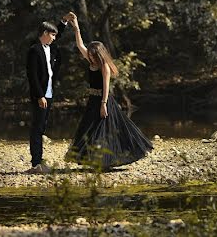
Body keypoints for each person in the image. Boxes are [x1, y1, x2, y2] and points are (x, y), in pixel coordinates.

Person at [65, 13, 152, 170]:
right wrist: (76, 27)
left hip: (103, 100)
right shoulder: (91, 60)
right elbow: (80, 45)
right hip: (92, 100)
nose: (90, 56)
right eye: (89, 54)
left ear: (99, 54)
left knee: (103, 129)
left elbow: (106, 86)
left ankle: (105, 161)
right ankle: (91, 159)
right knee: (89, 128)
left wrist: (103, 104)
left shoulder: (104, 66)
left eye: (92, 55)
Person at [25, 14, 71, 174]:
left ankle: (39, 162)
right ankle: (36, 163)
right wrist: (40, 96)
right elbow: (32, 76)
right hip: (41, 94)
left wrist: (64, 21)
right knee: (37, 128)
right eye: (52, 35)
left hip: (49, 92)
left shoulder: (50, 48)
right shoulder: (34, 50)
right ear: (44, 33)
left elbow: (58, 34)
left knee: (42, 128)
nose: (54, 38)